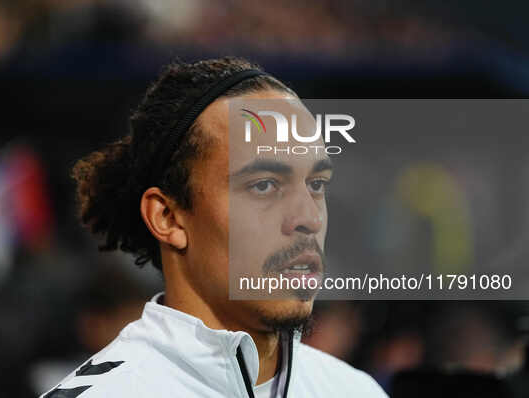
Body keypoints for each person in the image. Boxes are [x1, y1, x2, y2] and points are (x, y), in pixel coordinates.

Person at [41, 57, 387, 397]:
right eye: (264, 186)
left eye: (316, 185)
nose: (309, 219)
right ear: (168, 217)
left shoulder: (356, 390)